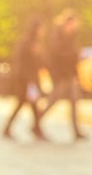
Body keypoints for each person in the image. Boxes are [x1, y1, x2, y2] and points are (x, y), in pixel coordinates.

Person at [36, 10, 87, 141]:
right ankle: (36, 123)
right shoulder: (57, 37)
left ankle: (76, 131)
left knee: (74, 101)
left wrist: (76, 75)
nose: (73, 27)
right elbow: (56, 57)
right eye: (71, 24)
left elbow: (73, 59)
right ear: (66, 23)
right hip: (60, 76)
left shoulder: (71, 37)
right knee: (52, 101)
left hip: (69, 76)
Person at [1, 18, 47, 140]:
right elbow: (22, 63)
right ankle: (35, 130)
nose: (43, 31)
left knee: (32, 106)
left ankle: (36, 129)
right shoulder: (26, 43)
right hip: (25, 80)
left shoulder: (35, 43)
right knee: (24, 104)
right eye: (41, 28)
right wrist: (29, 80)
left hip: (31, 80)